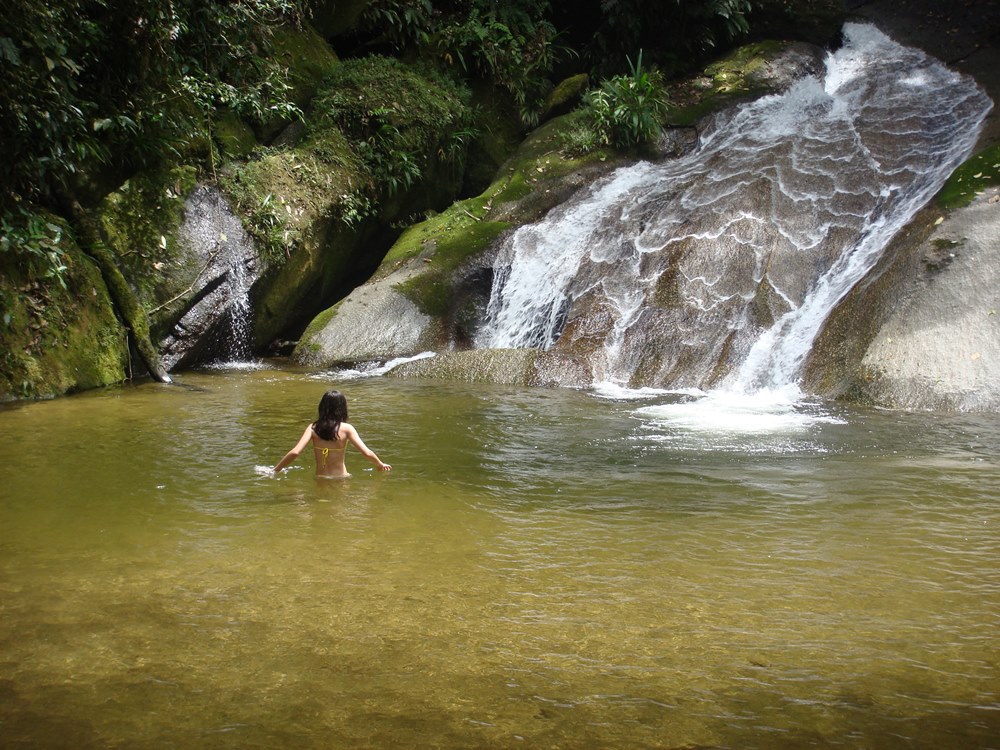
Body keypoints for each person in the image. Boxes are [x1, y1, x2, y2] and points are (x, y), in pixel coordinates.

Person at [272, 390, 391, 478]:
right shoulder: (347, 429)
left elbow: (295, 452)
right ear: (343, 408)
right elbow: (366, 453)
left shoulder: (313, 427)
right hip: (341, 478)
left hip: (321, 478)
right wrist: (380, 464)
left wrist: (276, 469)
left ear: (322, 407)